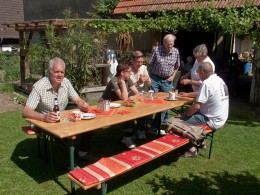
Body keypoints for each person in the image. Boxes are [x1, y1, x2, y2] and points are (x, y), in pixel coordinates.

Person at [22, 57, 94, 162]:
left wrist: (82, 104)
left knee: (87, 120)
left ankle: (83, 153)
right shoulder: (39, 86)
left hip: (61, 116)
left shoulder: (66, 82)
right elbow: (25, 112)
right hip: (42, 120)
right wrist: (43, 117)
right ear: (49, 72)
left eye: (62, 72)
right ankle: (70, 163)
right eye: (56, 72)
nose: (60, 75)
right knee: (61, 131)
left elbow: (77, 99)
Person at [177, 61, 229, 157]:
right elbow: (203, 93)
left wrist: (184, 115)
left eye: (198, 72)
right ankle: (201, 142)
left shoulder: (207, 83)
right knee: (190, 114)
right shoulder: (219, 80)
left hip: (211, 120)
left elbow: (197, 106)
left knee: (177, 122)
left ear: (202, 72)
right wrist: (187, 94)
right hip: (220, 118)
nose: (197, 74)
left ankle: (191, 149)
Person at [99, 62, 140, 149]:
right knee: (127, 113)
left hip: (117, 105)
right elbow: (124, 97)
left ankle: (130, 134)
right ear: (122, 72)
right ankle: (127, 137)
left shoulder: (128, 79)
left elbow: (137, 93)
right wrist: (122, 83)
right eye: (129, 71)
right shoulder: (114, 80)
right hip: (104, 105)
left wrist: (133, 97)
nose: (130, 73)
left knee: (131, 111)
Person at [148, 34, 180, 132]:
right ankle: (149, 121)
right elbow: (149, 64)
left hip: (167, 80)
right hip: (155, 79)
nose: (170, 46)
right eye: (168, 44)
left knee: (166, 103)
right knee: (151, 101)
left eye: (172, 44)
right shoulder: (156, 50)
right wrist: (149, 77)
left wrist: (173, 76)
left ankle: (157, 125)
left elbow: (177, 66)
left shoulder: (176, 51)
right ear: (164, 43)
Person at [130, 51, 151, 139]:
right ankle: (130, 133)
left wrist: (148, 81)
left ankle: (141, 130)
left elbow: (149, 84)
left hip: (141, 94)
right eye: (138, 62)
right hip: (130, 95)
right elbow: (128, 87)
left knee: (142, 112)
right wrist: (139, 82)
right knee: (131, 114)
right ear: (132, 60)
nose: (140, 64)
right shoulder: (128, 70)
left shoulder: (143, 68)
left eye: (142, 62)